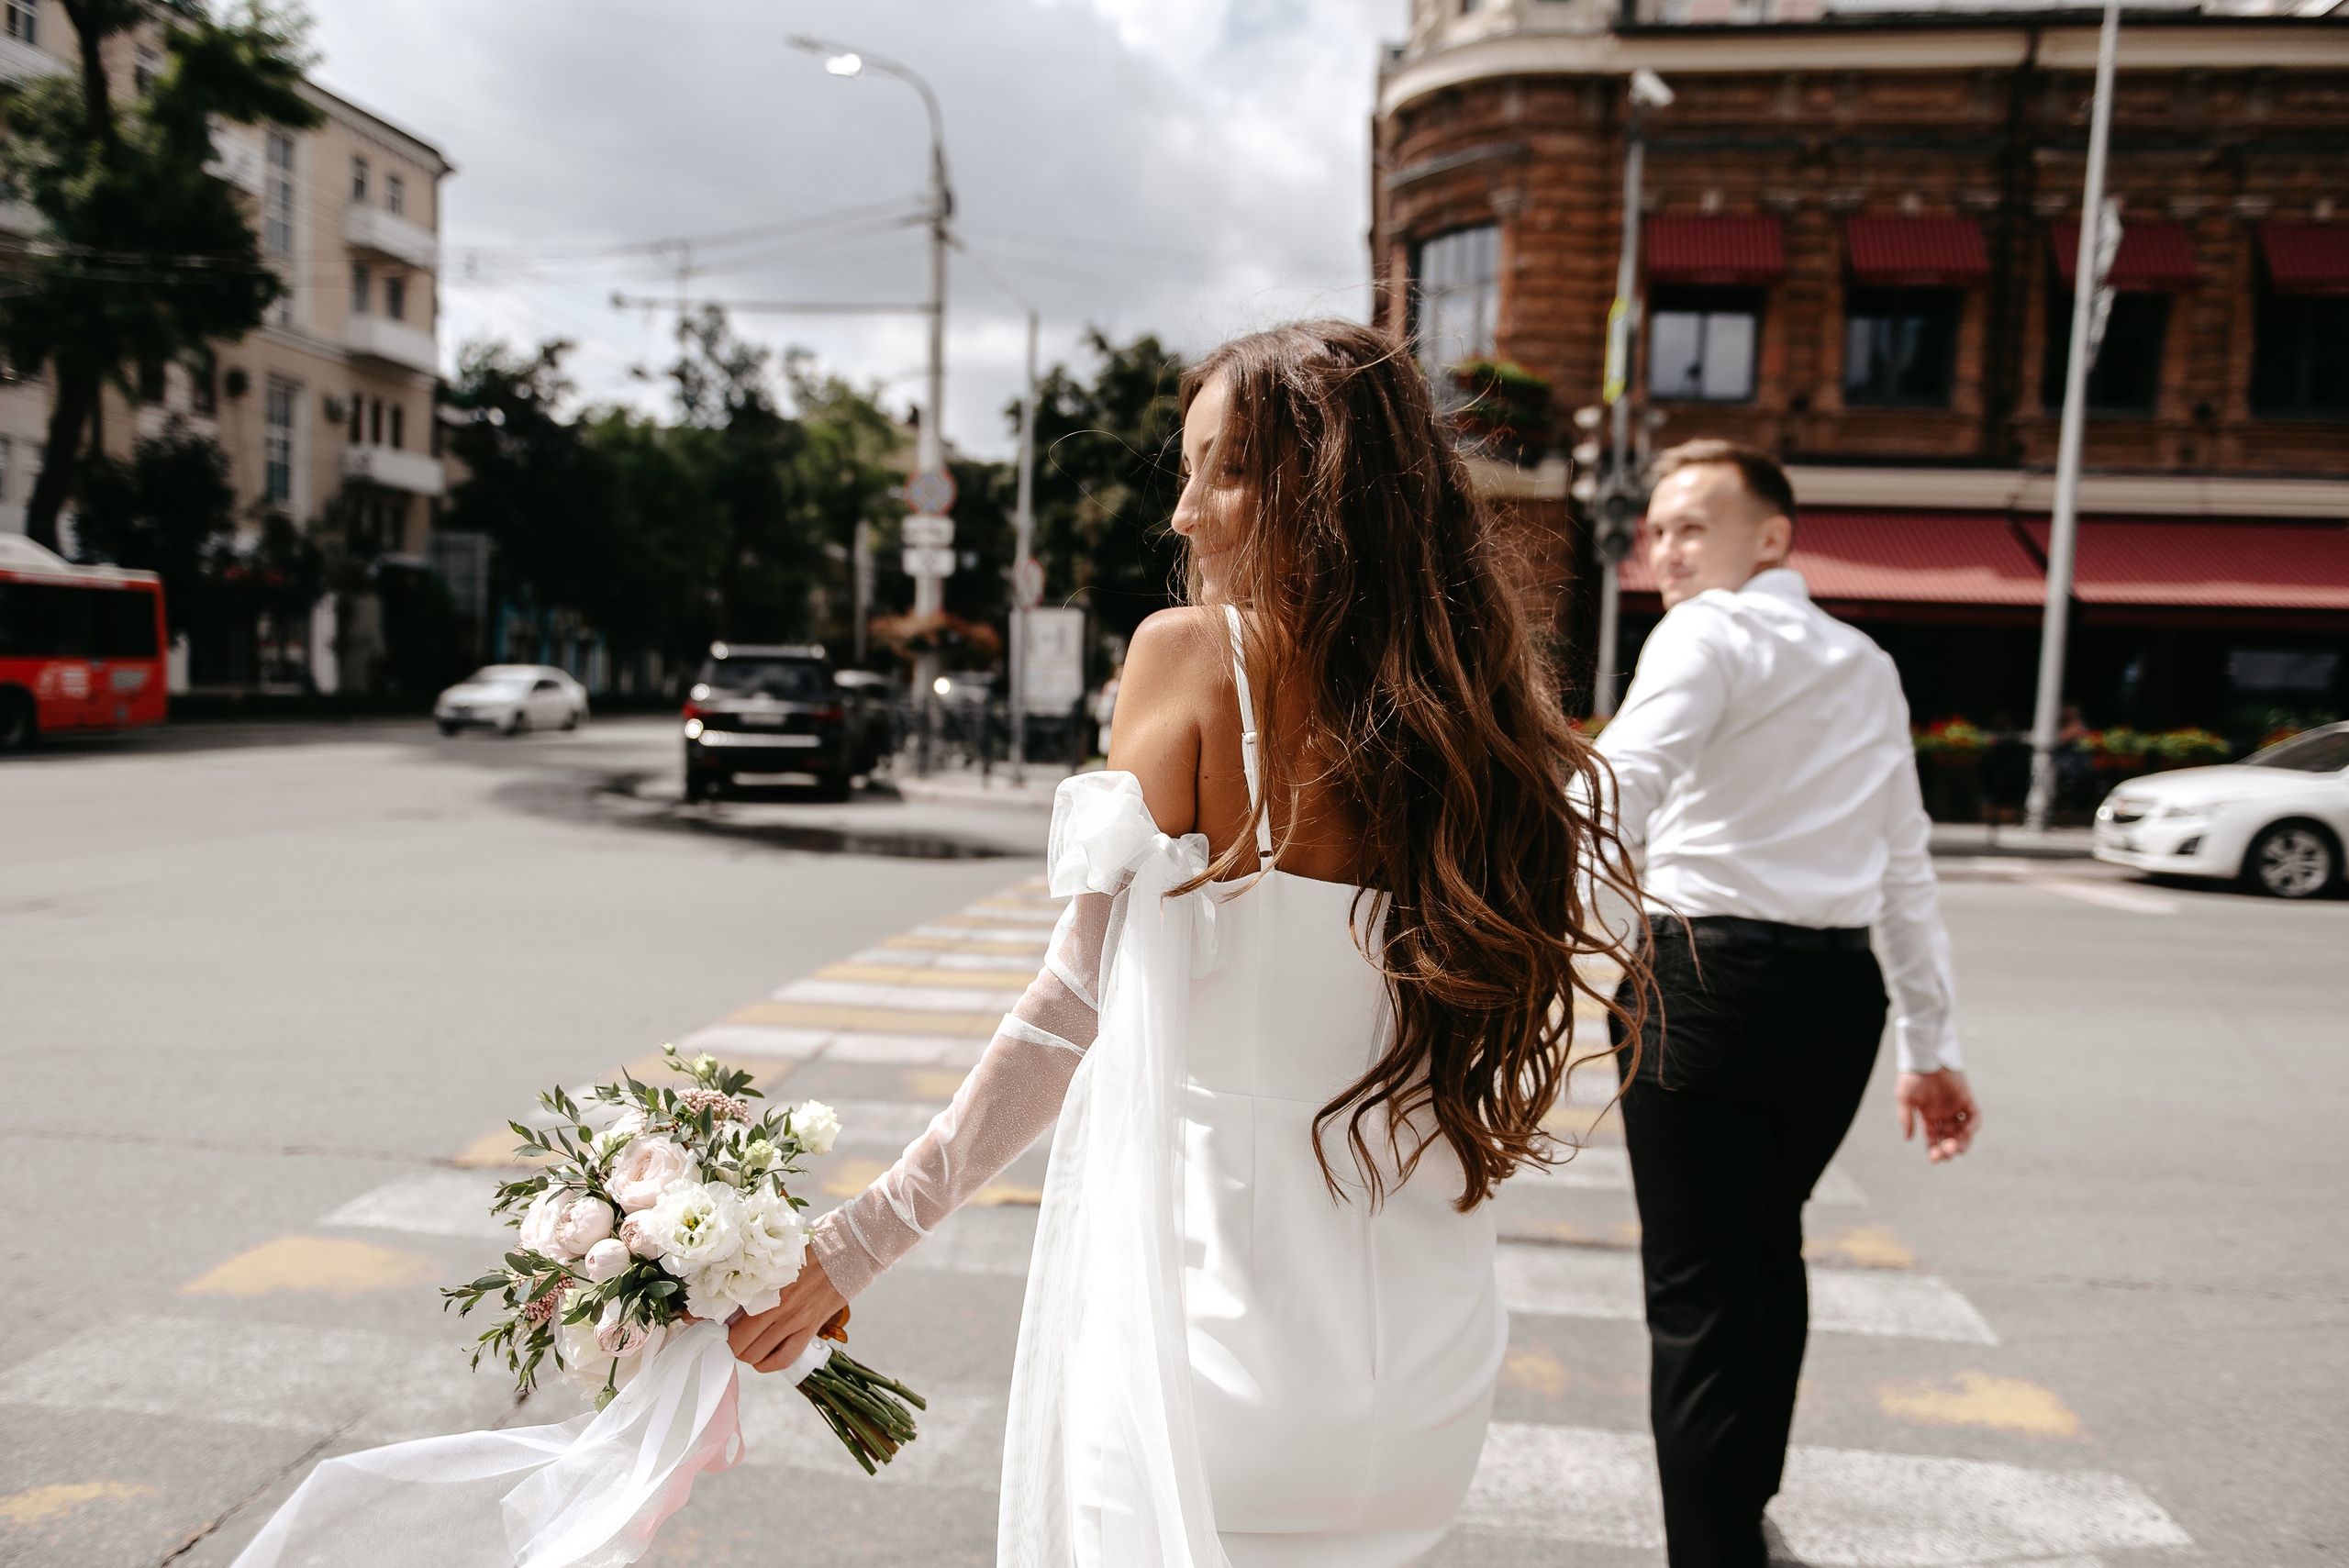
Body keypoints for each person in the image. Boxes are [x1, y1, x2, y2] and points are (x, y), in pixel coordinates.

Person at [729, 321, 1642, 1565]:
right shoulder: (1484, 728)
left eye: (1221, 470)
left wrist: (858, 1243)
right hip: (1422, 1375)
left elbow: (1067, 1008)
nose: (1183, 514)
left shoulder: (1192, 658)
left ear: (1320, 490)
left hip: (1215, 1358)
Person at [1595, 439, 1983, 1568]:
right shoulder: (1866, 661)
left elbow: (1620, 788)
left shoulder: (1705, 631)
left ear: (1770, 536)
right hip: (1833, 1001)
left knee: (1702, 1294)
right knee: (1766, 1256)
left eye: (1692, 526)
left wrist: (1535, 958)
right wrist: (1931, 1042)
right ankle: (1743, 1516)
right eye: (1657, 528)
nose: (1665, 549)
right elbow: (1903, 862)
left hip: (1703, 983)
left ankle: (1715, 1552)